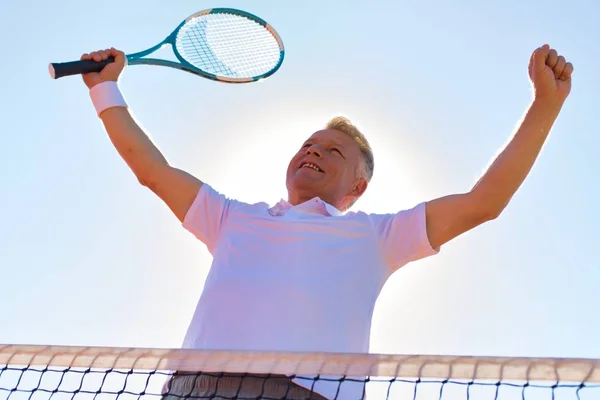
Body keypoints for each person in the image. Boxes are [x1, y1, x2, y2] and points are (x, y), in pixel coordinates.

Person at [80, 44, 573, 399]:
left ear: (357, 187)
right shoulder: (231, 217)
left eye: (333, 150)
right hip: (198, 389)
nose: (313, 150)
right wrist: (105, 89)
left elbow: (482, 202)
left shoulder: (377, 236)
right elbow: (152, 170)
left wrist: (544, 106)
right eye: (308, 144)